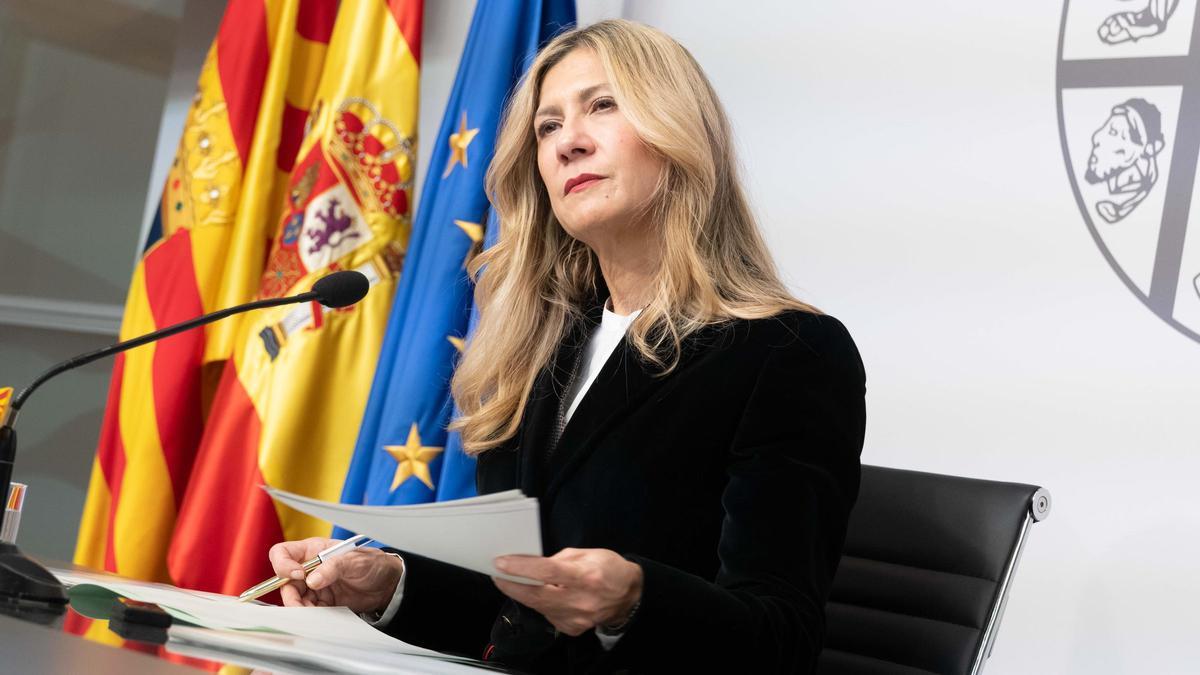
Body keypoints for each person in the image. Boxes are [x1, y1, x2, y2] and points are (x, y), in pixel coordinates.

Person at [265, 19, 866, 674]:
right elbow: (512, 613)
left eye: (602, 106)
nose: (567, 144)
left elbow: (780, 640)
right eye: (547, 127)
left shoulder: (788, 351)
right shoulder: (540, 349)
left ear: (679, 131)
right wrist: (389, 584)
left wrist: (633, 599)